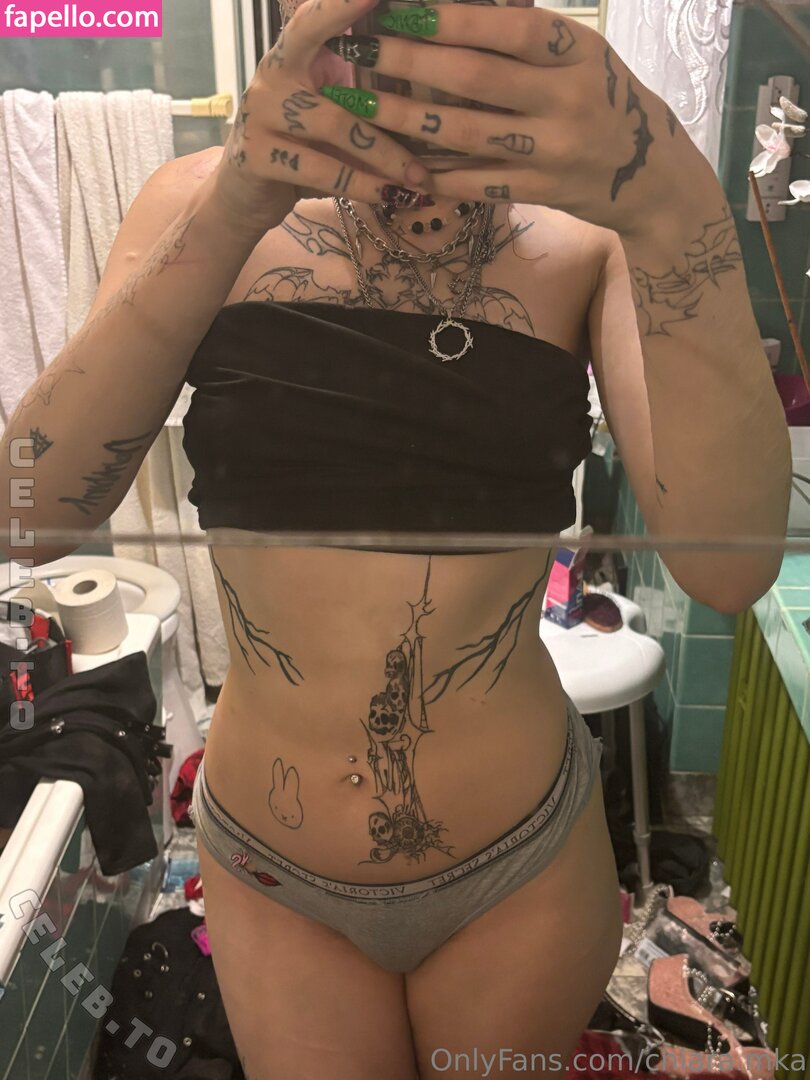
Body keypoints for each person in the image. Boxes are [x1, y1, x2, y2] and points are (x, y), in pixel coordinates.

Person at [1, 0, 790, 1076]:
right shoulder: (197, 201)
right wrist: (237, 201)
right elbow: (29, 518)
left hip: (516, 865)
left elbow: (731, 566)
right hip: (275, 874)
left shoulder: (588, 237)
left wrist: (673, 199)